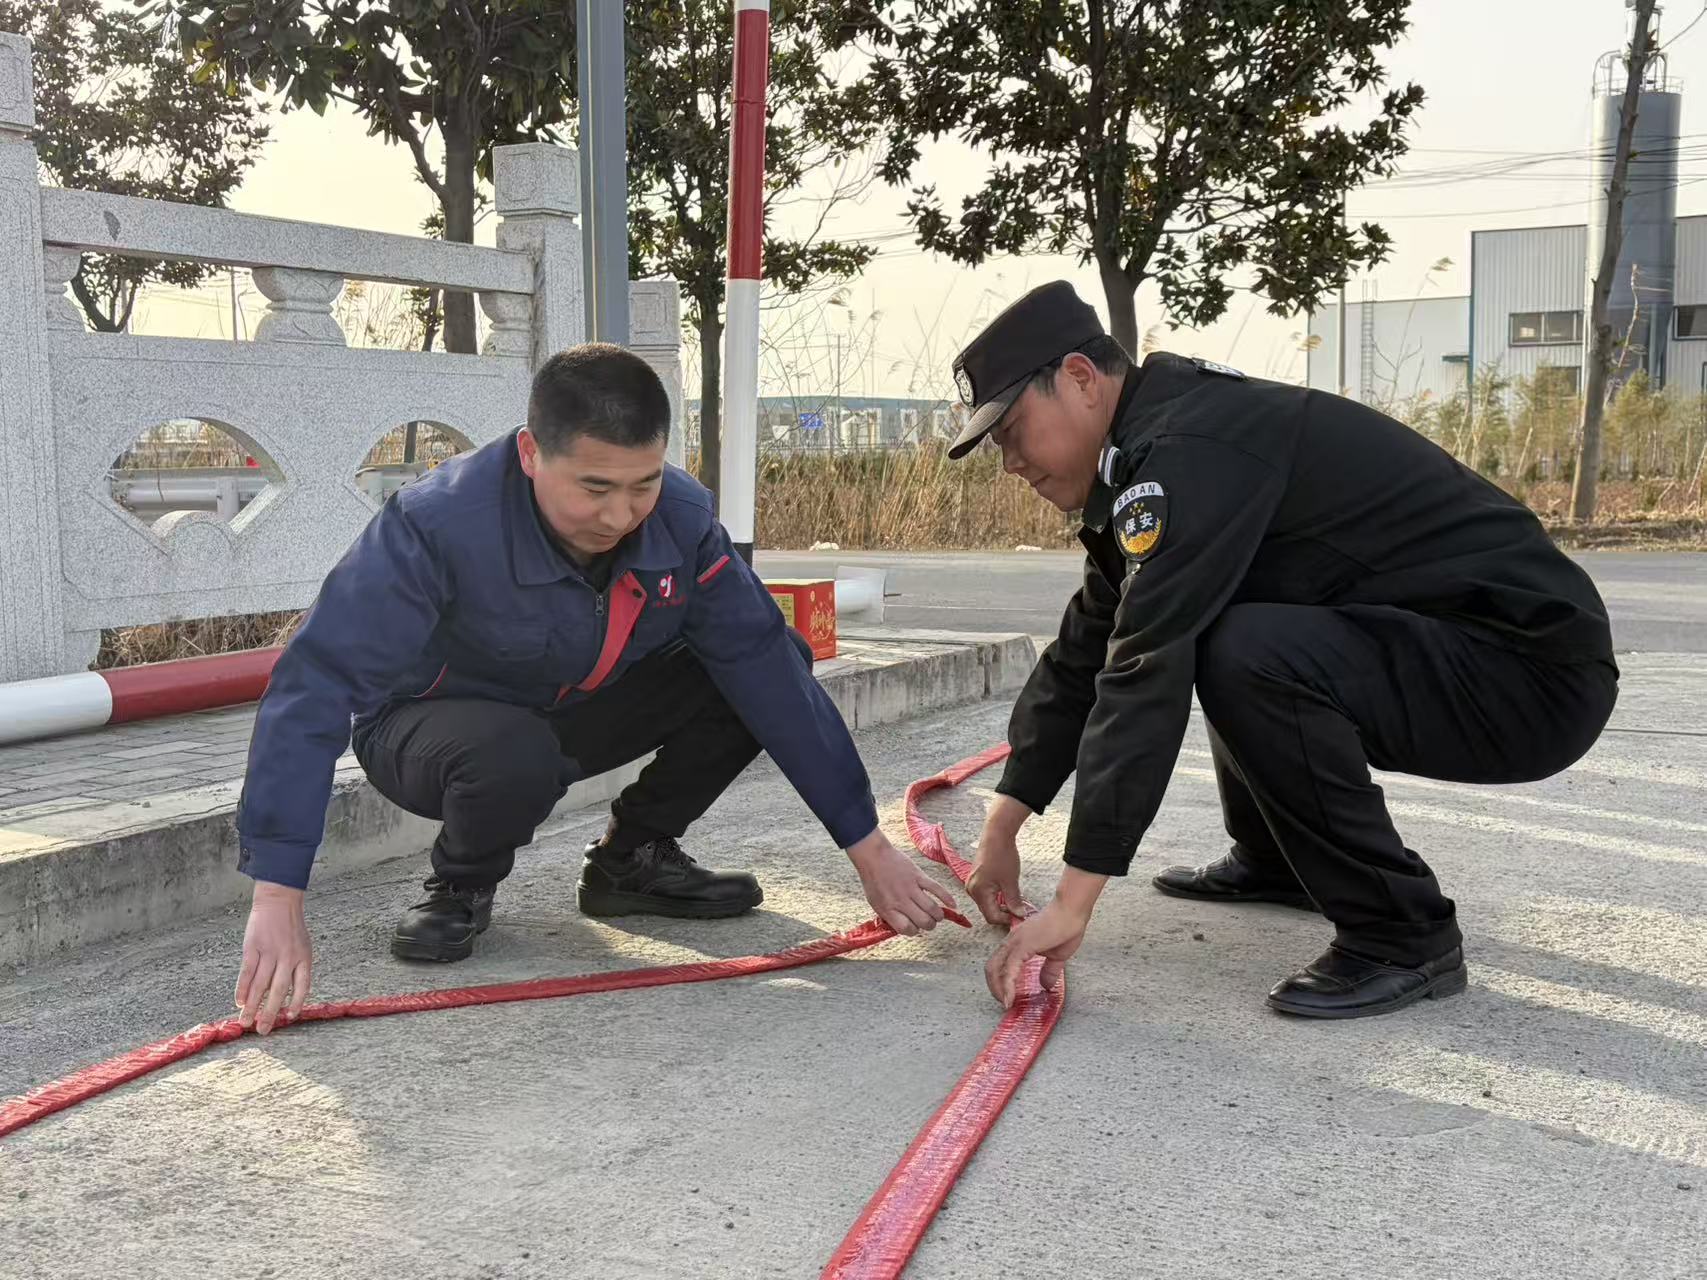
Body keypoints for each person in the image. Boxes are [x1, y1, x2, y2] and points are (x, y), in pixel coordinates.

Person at [232, 344, 954, 1035]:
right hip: (425, 731)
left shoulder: (682, 519)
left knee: (768, 664)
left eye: (643, 484)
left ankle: (632, 860)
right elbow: (313, 686)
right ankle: (461, 885)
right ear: (530, 454)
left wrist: (869, 849)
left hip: (570, 707)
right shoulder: (436, 525)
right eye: (595, 488)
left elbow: (765, 666)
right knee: (510, 750)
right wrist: (277, 895)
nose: (619, 516)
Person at [949, 281, 1618, 1020]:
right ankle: (1276, 860)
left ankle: (1401, 934)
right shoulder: (1155, 446)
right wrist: (1001, 828)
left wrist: (1073, 902)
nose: (1009, 462)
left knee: (1241, 648)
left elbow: (1142, 670)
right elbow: (1087, 651)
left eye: (1012, 430)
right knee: (1225, 627)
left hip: (1527, 674)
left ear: (1079, 378)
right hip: (1468, 654)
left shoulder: (1189, 450)